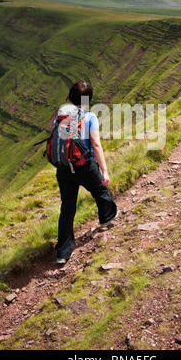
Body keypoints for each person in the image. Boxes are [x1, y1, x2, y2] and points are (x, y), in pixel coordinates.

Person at [55, 80, 119, 264]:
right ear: (88, 99)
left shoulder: (60, 116)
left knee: (67, 208)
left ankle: (63, 253)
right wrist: (105, 171)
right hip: (84, 165)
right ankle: (106, 218)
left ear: (70, 96)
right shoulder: (90, 117)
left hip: (64, 168)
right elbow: (96, 145)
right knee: (100, 190)